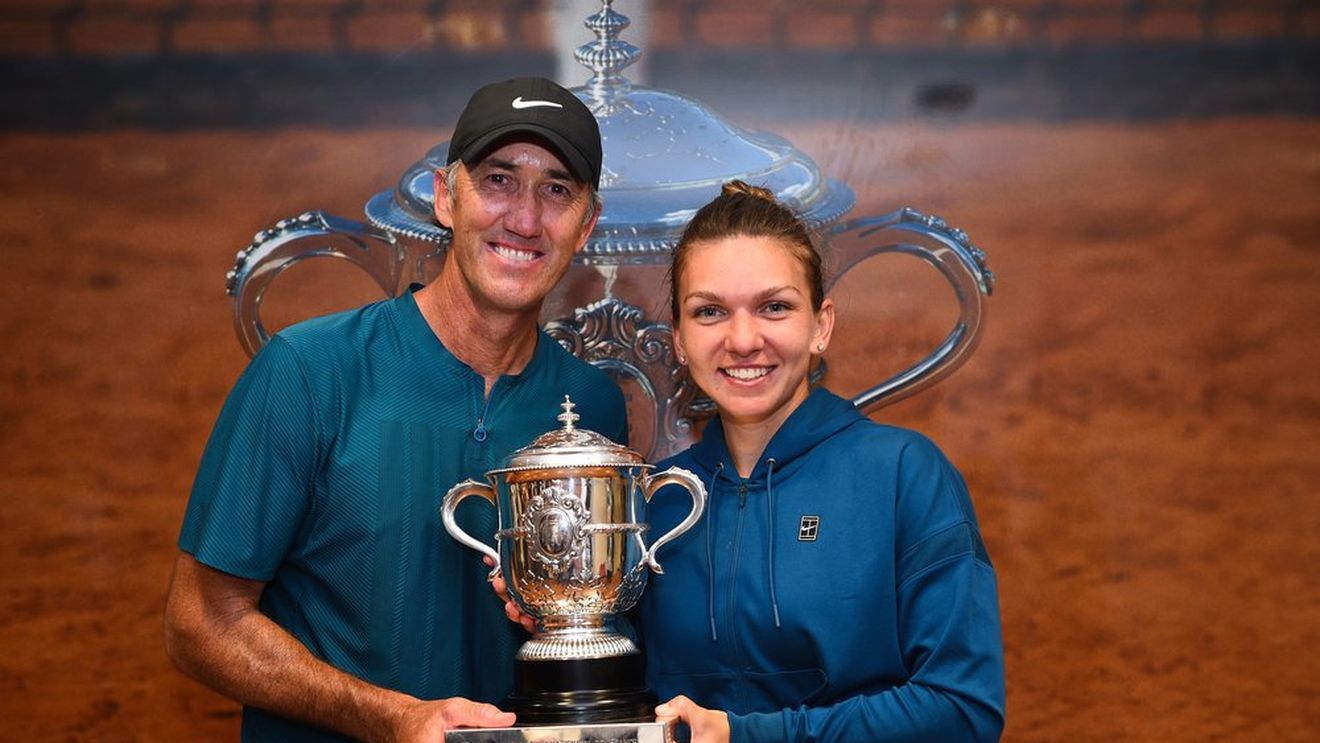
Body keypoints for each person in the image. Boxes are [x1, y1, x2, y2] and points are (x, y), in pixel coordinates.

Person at [164, 77, 628, 743]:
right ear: (446, 197)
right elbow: (199, 622)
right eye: (499, 179)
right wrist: (391, 716)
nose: (525, 218)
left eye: (557, 190)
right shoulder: (308, 370)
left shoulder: (589, 410)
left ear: (586, 225)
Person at [636, 181, 1005, 741]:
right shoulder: (653, 503)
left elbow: (963, 709)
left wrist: (746, 735)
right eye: (709, 311)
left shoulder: (904, 475)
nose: (742, 339)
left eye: (774, 307)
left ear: (821, 324)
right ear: (679, 340)